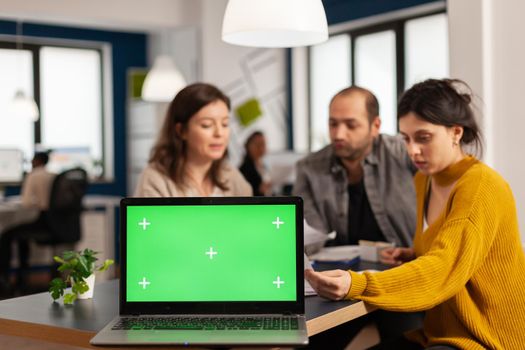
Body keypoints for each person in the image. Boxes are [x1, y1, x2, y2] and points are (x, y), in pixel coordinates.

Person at [305, 78, 525, 349]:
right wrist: (414, 253)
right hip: (437, 333)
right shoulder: (425, 180)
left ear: (456, 133)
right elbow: (448, 250)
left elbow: (443, 268)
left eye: (423, 138)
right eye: (406, 139)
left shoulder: (481, 185)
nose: (412, 150)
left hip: (484, 339)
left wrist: (357, 283)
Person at [293, 85, 417, 248]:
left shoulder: (405, 153)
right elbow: (309, 238)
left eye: (351, 125)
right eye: (333, 124)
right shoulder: (309, 168)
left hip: (400, 267)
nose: (338, 135)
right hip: (336, 270)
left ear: (375, 126)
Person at [135, 83, 252, 197]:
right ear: (181, 131)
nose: (219, 133)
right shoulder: (155, 179)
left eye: (225, 124)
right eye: (207, 125)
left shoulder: (230, 176)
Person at [0, 151, 55, 294]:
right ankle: (21, 276)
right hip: (56, 224)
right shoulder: (54, 176)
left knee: (7, 235)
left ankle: (5, 278)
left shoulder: (33, 175)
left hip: (43, 221)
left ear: (36, 161)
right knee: (21, 235)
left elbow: (26, 202)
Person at [239, 131, 271, 196]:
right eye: (258, 145)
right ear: (248, 146)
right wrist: (259, 190)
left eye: (263, 144)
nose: (261, 148)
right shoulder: (244, 169)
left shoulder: (264, 166)